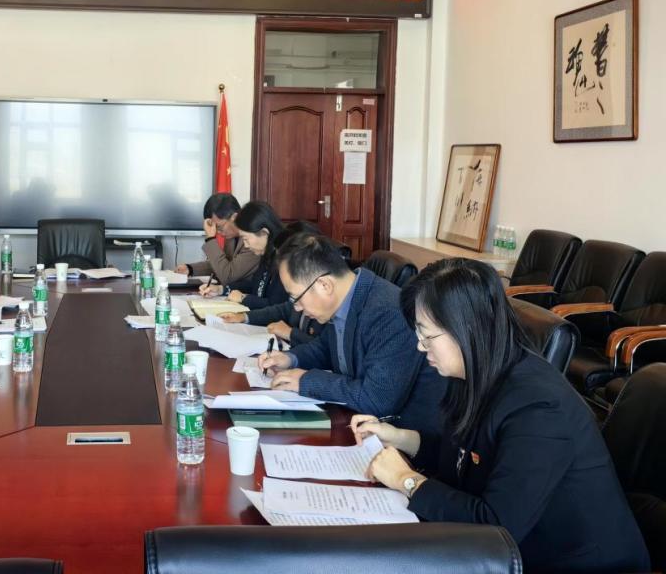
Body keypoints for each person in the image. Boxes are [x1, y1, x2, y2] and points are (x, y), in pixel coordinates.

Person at [353, 258, 650, 574]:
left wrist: (407, 480)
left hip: (577, 563)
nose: (420, 347)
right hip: (512, 548)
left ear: (467, 328)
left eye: (427, 336)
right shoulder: (473, 371)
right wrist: (400, 438)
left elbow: (497, 526)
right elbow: (463, 454)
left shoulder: (538, 406)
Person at [257, 234, 445, 435]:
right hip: (357, 421)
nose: (297, 308)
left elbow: (377, 400)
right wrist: (290, 358)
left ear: (325, 285)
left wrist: (306, 381)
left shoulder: (388, 313)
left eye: (296, 298)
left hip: (403, 438)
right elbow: (327, 348)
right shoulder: (347, 298)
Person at [198, 201, 288, 310]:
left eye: (246, 239)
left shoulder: (285, 260)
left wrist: (243, 298)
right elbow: (255, 285)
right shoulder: (267, 253)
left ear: (264, 233)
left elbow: (277, 307)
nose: (245, 245)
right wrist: (221, 289)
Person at [176, 192, 260, 286]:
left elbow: (227, 276)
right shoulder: (231, 237)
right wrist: (190, 269)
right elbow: (221, 264)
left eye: (219, 227)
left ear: (234, 217)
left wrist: (210, 239)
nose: (217, 232)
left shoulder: (253, 239)